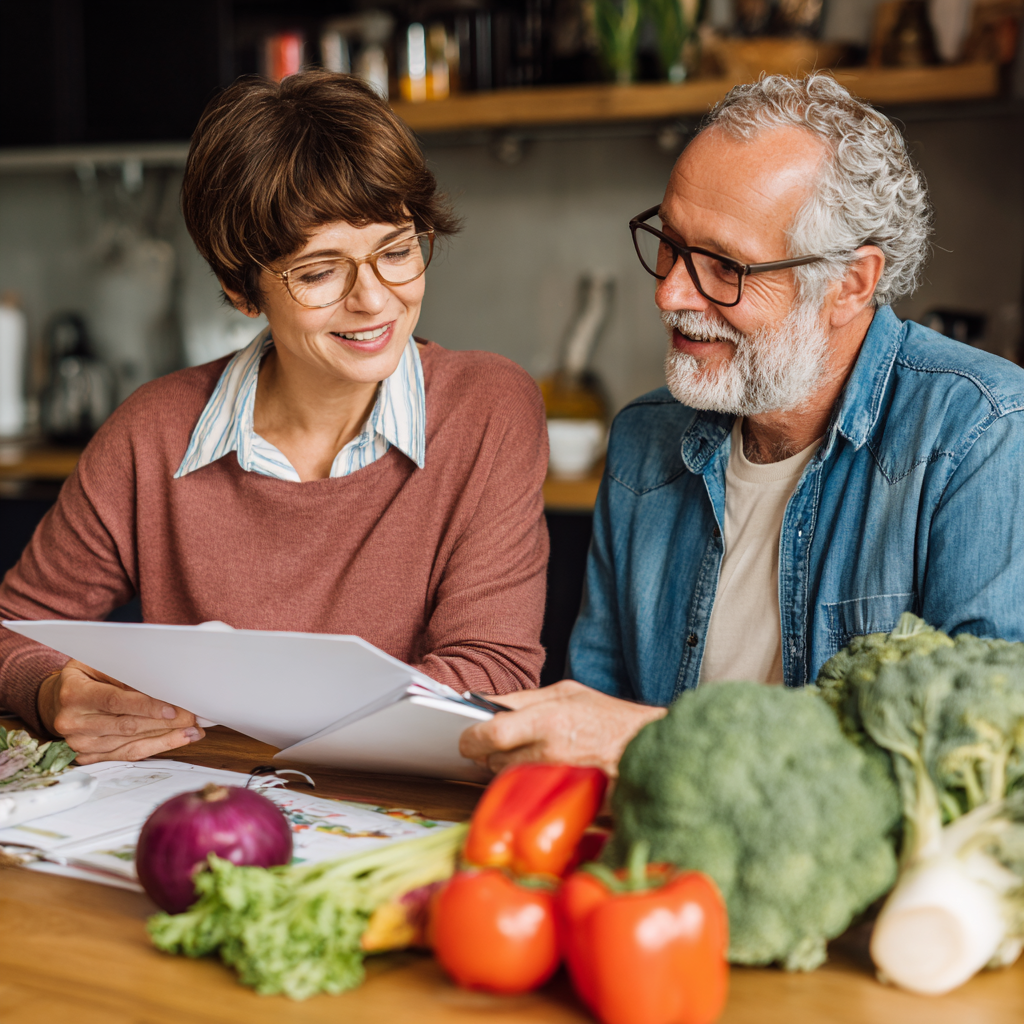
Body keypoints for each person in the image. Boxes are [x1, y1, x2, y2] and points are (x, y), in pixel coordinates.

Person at [461, 72, 1024, 777]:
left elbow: (985, 759)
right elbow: (589, 720)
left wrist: (645, 743)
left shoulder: (984, 432)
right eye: (669, 243)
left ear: (850, 282)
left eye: (724, 265)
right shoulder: (644, 441)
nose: (670, 293)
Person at [0, 72, 549, 764]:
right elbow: (11, 629)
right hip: (195, 805)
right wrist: (52, 692)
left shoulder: (488, 408)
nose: (375, 301)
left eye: (398, 250)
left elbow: (493, 675)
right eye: (320, 272)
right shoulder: (154, 431)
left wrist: (260, 714)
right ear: (240, 288)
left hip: (403, 810)